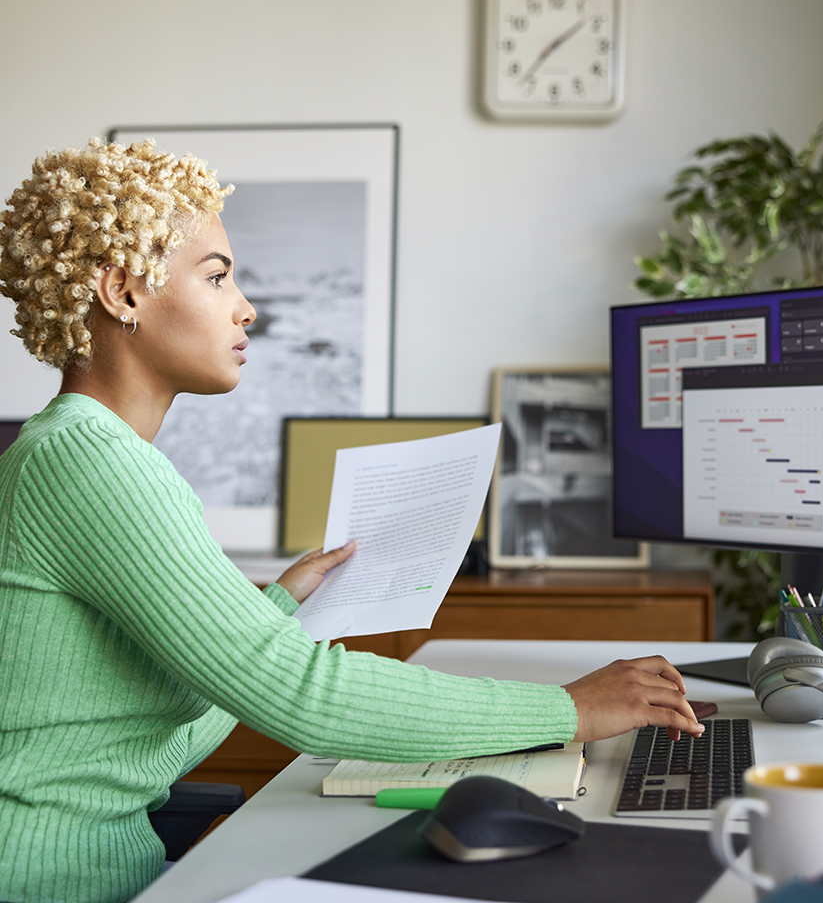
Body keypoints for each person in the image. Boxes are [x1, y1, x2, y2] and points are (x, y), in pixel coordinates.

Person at [0, 139, 701, 903]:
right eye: (218, 276)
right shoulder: (87, 462)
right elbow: (299, 698)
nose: (246, 307)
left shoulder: (80, 452)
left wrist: (277, 609)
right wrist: (570, 709)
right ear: (122, 293)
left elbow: (150, 732)